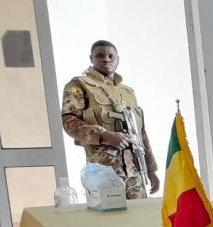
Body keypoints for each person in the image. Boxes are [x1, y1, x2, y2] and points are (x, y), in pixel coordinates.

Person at [61, 40, 159, 199]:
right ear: (91, 58)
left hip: (135, 173)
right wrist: (104, 135)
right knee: (109, 214)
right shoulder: (79, 85)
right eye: (100, 56)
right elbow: (69, 121)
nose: (106, 59)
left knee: (139, 213)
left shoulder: (128, 92)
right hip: (103, 173)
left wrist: (150, 170)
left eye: (110, 56)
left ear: (117, 59)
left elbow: (141, 132)